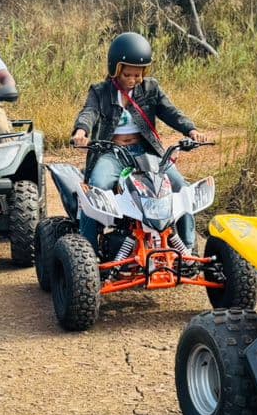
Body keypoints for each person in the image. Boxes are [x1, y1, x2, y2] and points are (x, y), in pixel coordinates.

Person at [70, 31, 206, 251]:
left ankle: (189, 248)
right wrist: (81, 131)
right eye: (128, 75)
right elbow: (89, 112)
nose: (133, 80)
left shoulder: (150, 89)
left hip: (146, 151)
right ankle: (87, 252)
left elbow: (171, 112)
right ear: (115, 70)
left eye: (138, 75)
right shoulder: (100, 91)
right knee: (95, 189)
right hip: (112, 153)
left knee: (182, 187)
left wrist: (191, 130)